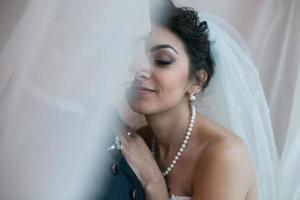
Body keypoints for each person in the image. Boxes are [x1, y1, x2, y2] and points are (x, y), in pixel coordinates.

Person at [99, 1, 278, 200]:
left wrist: (154, 181)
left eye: (162, 60)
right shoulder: (137, 140)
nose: (141, 69)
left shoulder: (225, 155)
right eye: (135, 53)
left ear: (198, 81)